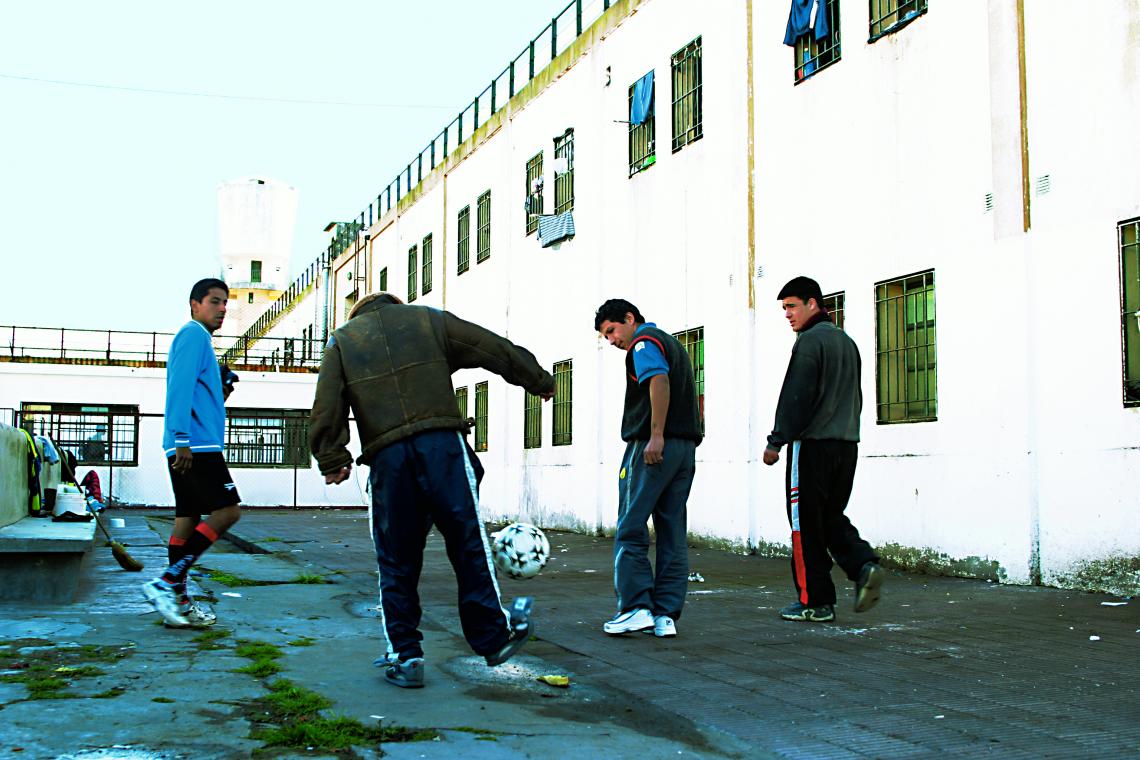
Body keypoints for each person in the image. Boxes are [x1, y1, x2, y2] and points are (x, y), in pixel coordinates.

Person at [310, 292, 556, 688]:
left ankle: (407, 657)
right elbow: (490, 347)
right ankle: (493, 639)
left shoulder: (343, 341)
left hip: (388, 456)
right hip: (442, 445)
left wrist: (332, 456)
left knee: (396, 559)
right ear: (395, 305)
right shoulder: (427, 320)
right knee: (467, 542)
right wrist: (536, 379)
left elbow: (326, 403)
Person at [763, 276, 884, 622]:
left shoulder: (809, 342)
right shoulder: (846, 342)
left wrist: (776, 441)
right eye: (784, 308)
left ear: (812, 303)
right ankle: (863, 565)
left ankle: (814, 601)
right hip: (846, 444)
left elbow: (796, 396)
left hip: (812, 447)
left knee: (804, 526)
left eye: (791, 306)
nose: (787, 314)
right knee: (830, 516)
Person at [593, 299, 702, 638]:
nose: (611, 340)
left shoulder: (643, 343)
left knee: (631, 526)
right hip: (685, 449)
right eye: (605, 336)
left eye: (611, 330)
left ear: (629, 318)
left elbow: (658, 381)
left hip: (653, 448)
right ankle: (665, 616)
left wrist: (655, 435)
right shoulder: (673, 343)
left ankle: (635, 608)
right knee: (672, 534)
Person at [142, 278, 239, 629]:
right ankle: (167, 581)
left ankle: (178, 604)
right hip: (196, 445)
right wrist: (182, 437)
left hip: (190, 441)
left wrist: (220, 389)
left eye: (226, 303)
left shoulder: (202, 342)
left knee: (187, 517)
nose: (223, 309)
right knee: (228, 512)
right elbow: (178, 388)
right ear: (194, 304)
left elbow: (196, 393)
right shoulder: (194, 334)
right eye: (215, 302)